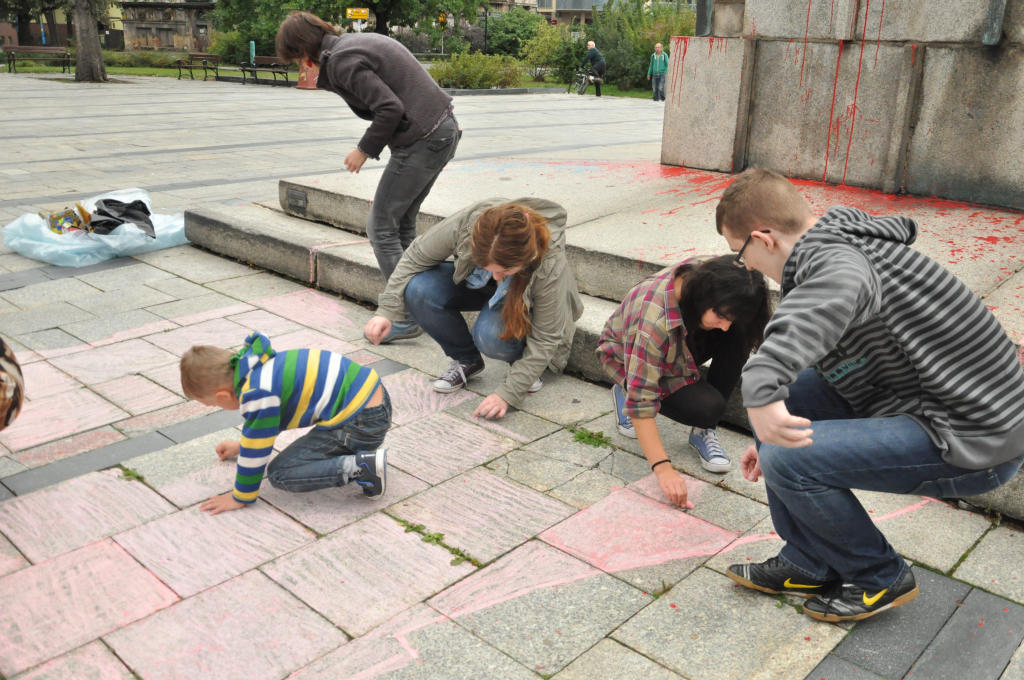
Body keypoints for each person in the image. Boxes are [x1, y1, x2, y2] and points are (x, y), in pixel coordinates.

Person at [716, 168, 1024, 622]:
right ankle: (809, 560)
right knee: (793, 404)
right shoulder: (838, 239)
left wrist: (760, 391)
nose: (745, 267)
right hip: (929, 396)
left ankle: (880, 576)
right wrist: (773, 417)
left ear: (764, 239)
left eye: (739, 253)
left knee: (788, 459)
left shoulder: (838, 262)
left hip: (972, 436)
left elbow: (835, 290)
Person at [276, 12, 461, 344]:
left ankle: (402, 316)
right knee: (401, 224)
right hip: (439, 131)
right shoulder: (349, 47)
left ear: (304, 52)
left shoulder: (343, 61)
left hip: (425, 138)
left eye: (295, 60)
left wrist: (363, 149)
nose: (300, 67)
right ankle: (424, 302)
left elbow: (389, 108)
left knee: (380, 227)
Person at [364, 198, 583, 420]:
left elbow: (546, 338)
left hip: (522, 300)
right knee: (418, 288)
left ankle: (520, 366)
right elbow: (414, 257)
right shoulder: (471, 224)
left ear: (526, 259)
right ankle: (467, 360)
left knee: (490, 335)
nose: (497, 277)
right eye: (490, 268)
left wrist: (508, 394)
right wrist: (387, 311)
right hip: (478, 285)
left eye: (504, 271)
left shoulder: (549, 264)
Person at [598, 256, 770, 507]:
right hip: (627, 356)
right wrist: (663, 469)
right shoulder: (653, 323)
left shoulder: (707, 280)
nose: (724, 327)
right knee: (706, 407)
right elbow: (642, 402)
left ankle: (704, 431)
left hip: (677, 344)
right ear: (704, 296)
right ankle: (625, 386)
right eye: (721, 316)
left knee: (740, 333)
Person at [179, 331, 391, 515]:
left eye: (213, 404)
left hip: (361, 423)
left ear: (223, 396)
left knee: (280, 473)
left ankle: (363, 467)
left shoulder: (256, 394)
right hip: (374, 400)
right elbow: (267, 427)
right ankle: (360, 456)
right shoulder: (256, 364)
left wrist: (239, 497)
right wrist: (242, 446)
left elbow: (257, 449)